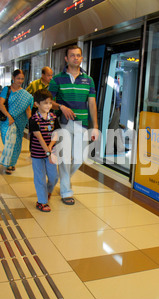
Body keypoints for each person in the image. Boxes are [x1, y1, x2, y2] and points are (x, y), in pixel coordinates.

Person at [48, 44, 99, 205]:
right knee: (64, 158)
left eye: (78, 55)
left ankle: (64, 178)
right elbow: (48, 101)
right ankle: (66, 191)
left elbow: (92, 104)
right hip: (64, 124)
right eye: (72, 55)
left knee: (80, 157)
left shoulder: (88, 80)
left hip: (82, 124)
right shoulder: (57, 79)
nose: (75, 58)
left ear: (81, 58)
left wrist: (95, 126)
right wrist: (61, 107)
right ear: (66, 58)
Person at [28, 89, 60, 212]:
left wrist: (51, 148)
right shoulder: (34, 119)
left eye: (50, 103)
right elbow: (39, 138)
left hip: (51, 152)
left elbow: (56, 133)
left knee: (54, 177)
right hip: (37, 154)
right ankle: (42, 201)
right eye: (45, 103)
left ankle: (47, 192)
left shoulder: (53, 117)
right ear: (37, 104)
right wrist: (48, 153)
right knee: (39, 177)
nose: (48, 106)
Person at [0, 69, 33, 174]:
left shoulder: (25, 95)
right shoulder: (6, 89)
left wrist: (32, 123)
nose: (20, 80)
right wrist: (9, 116)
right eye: (18, 78)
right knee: (7, 141)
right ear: (13, 78)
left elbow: (27, 110)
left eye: (22, 79)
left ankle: (11, 164)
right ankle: (9, 161)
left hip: (19, 123)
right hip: (6, 121)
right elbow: (0, 104)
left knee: (16, 143)